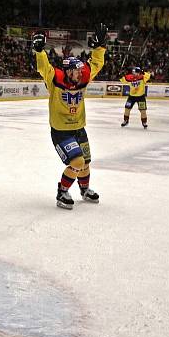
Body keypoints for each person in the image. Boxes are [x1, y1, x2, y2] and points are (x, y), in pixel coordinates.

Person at [31, 24, 107, 210]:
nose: (80, 74)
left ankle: (85, 189)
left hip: (79, 128)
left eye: (80, 71)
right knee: (77, 162)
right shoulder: (55, 79)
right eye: (76, 71)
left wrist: (100, 47)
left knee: (86, 163)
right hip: (61, 132)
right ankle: (62, 192)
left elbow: (96, 63)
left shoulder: (83, 77)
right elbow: (43, 67)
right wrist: (39, 50)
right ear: (67, 71)